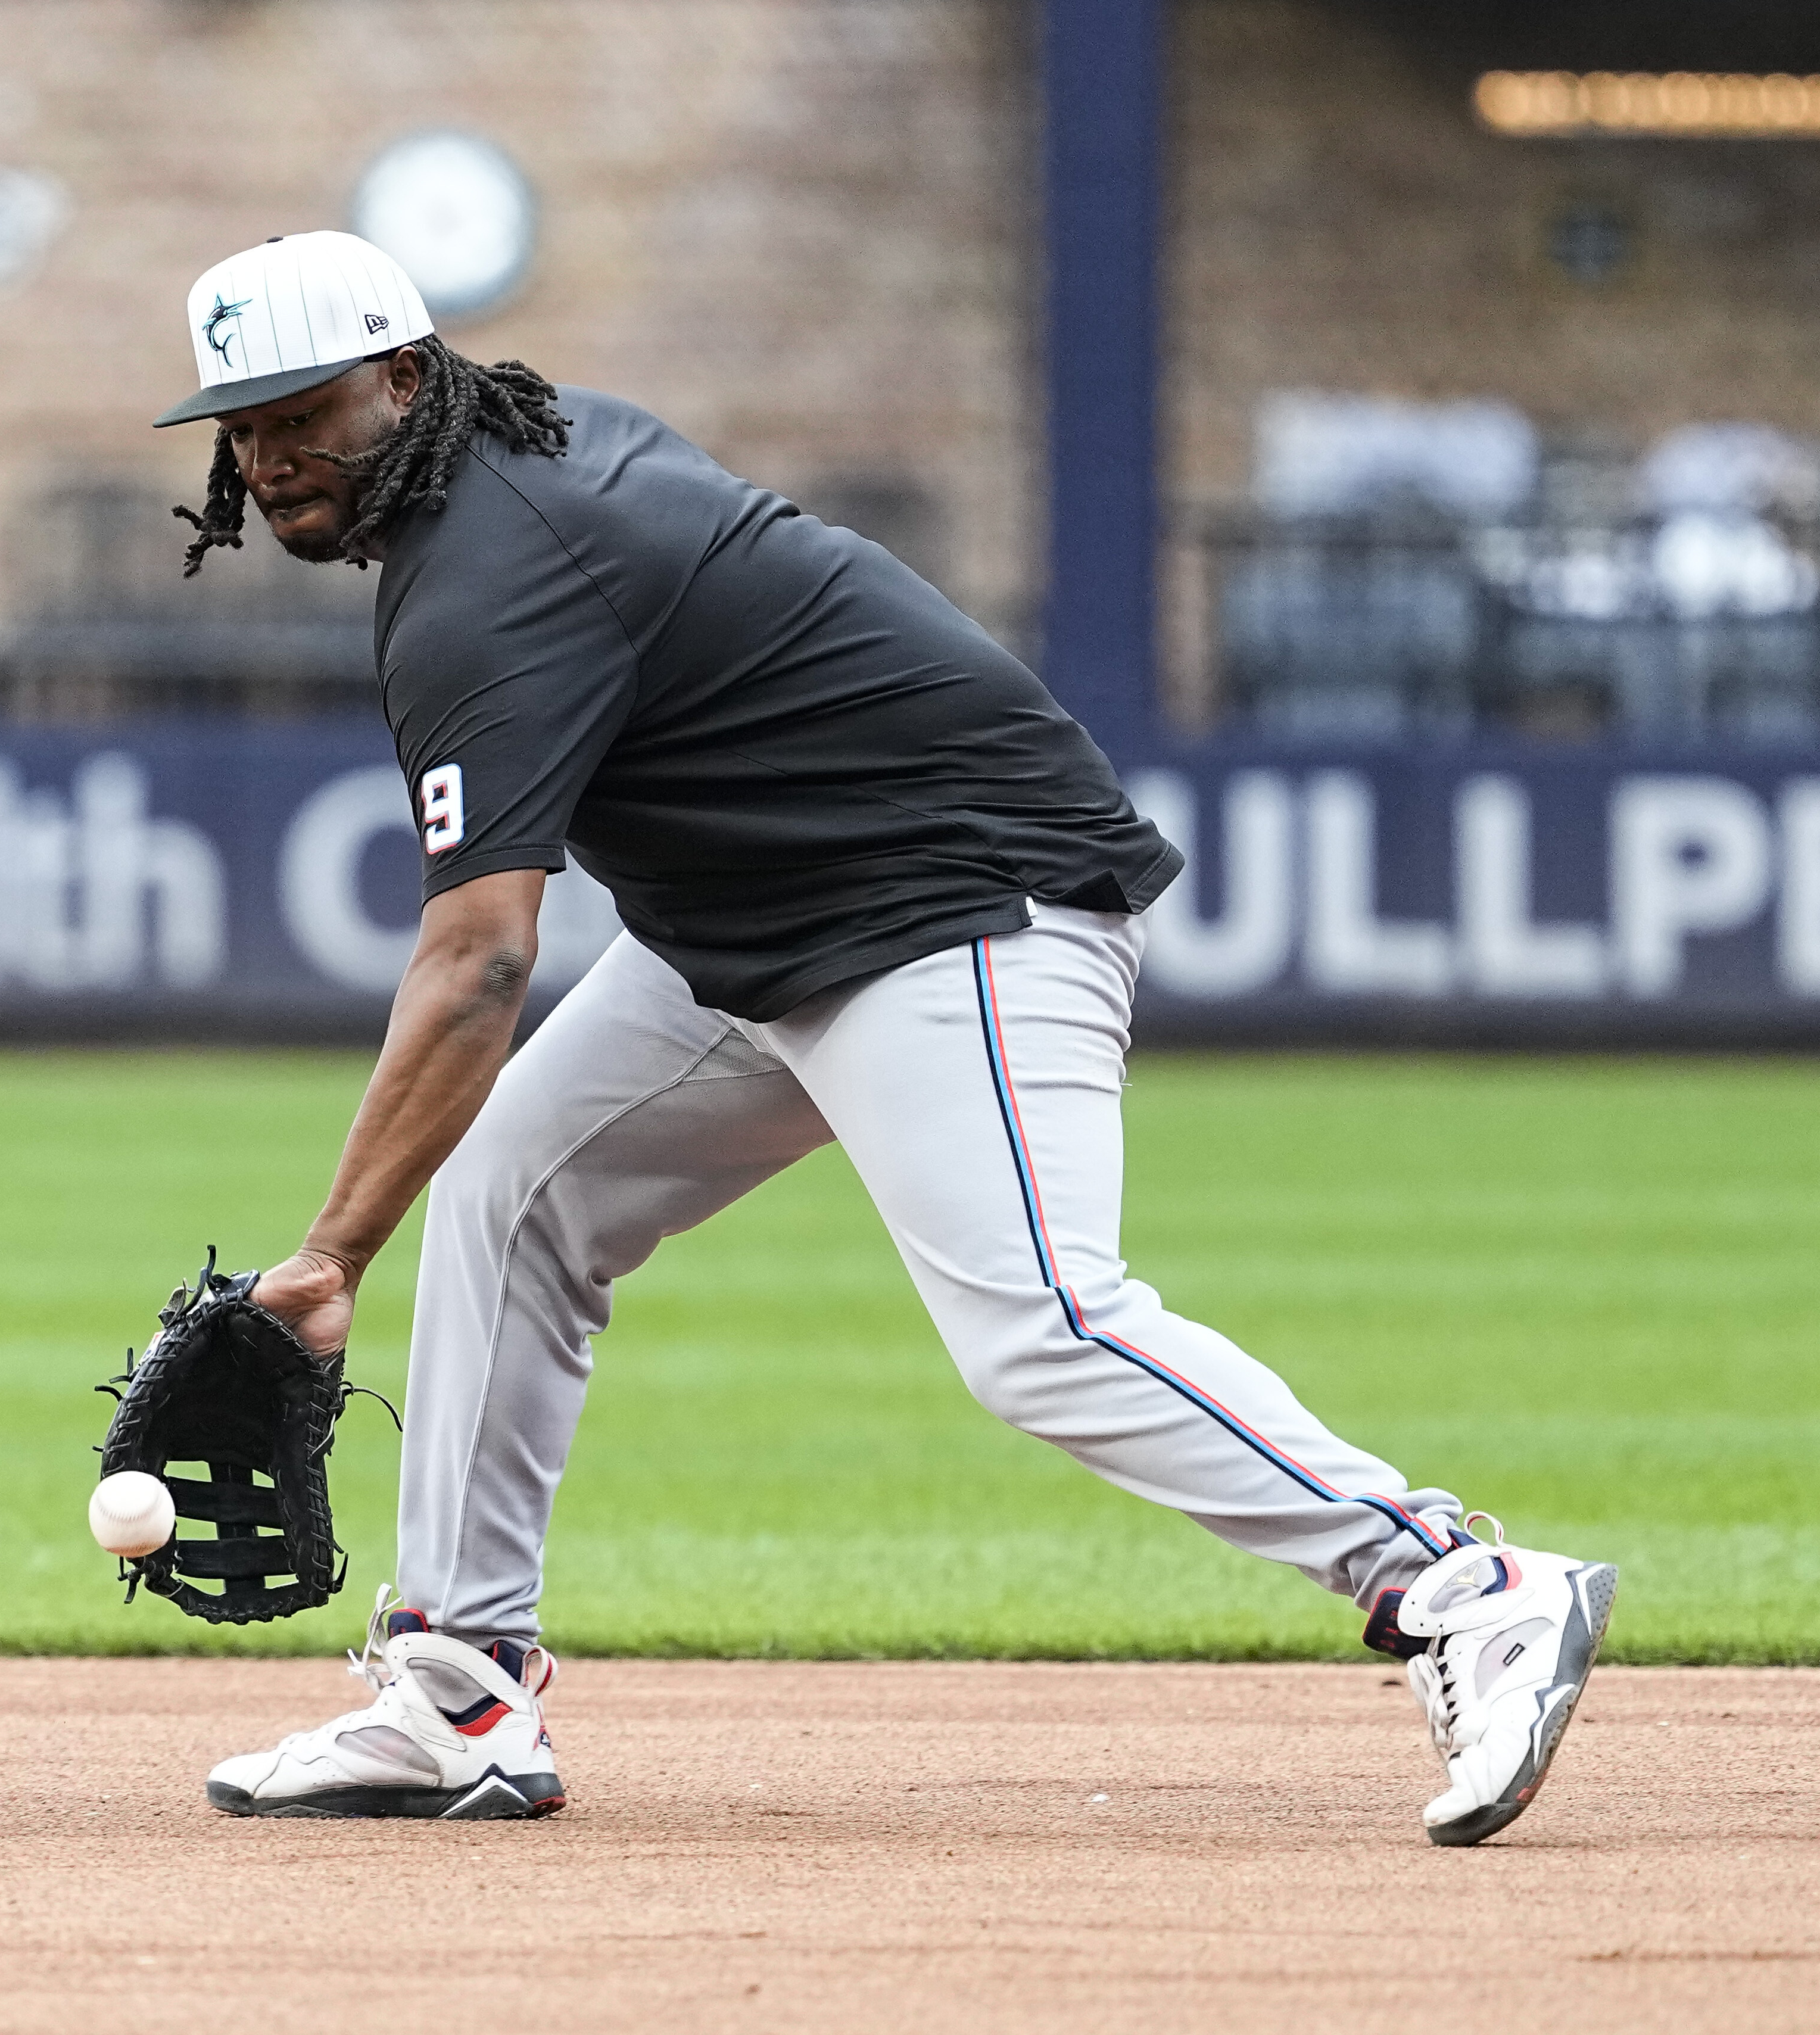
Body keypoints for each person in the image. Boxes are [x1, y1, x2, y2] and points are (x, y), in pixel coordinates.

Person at [149, 232, 1615, 1844]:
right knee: (515, 1192)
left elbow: (481, 961)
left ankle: (1464, 1586)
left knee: (1041, 1320)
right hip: (762, 929)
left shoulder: (486, 576)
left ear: (409, 379)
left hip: (955, 903)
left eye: (307, 406)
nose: (272, 451)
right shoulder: (506, 467)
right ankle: (453, 1691)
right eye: (244, 420)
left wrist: (332, 1254)